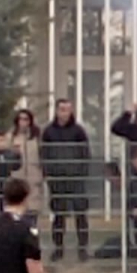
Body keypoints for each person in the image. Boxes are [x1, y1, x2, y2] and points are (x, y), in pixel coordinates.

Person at [40, 99, 91, 262]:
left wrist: (82, 173)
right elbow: (44, 154)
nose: (65, 112)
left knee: (80, 214)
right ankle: (58, 248)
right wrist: (49, 174)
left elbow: (86, 154)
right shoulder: (48, 131)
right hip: (57, 180)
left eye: (68, 109)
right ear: (56, 110)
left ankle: (83, 248)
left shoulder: (79, 131)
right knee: (59, 215)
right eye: (62, 109)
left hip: (76, 179)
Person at [10, 110, 45, 226]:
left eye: (26, 119)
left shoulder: (36, 137)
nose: (23, 122)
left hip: (34, 178)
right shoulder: (12, 136)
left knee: (32, 214)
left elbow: (43, 155)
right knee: (18, 213)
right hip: (17, 179)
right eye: (21, 119)